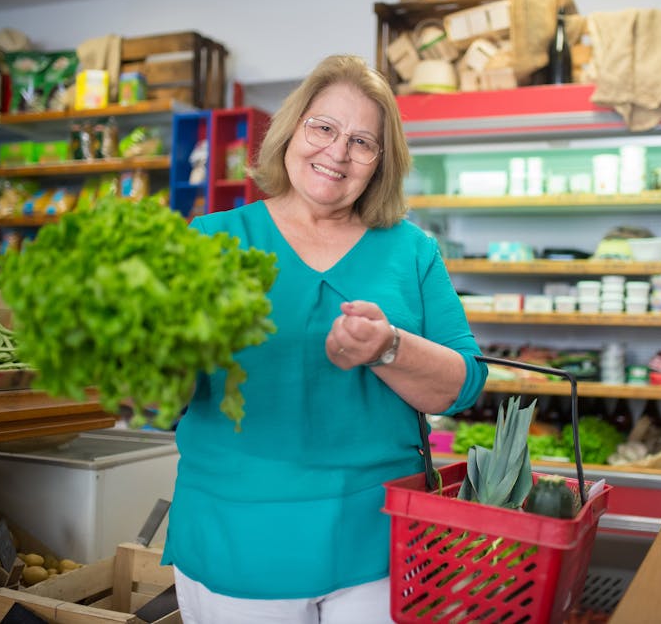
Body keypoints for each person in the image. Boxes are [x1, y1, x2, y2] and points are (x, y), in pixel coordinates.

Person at [161, 54, 489, 623]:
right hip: (237, 535)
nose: (338, 152)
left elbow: (462, 385)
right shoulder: (210, 240)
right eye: (324, 127)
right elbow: (165, 388)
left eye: (363, 142)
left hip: (380, 537)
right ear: (292, 130)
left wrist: (388, 347)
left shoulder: (411, 250)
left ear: (381, 164)